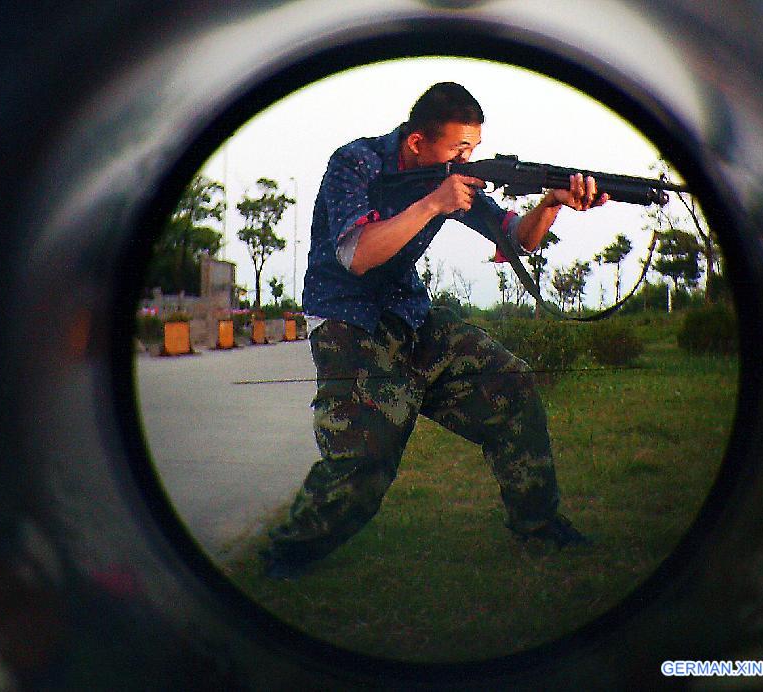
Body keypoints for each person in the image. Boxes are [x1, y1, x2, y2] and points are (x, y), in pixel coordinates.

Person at [261, 82, 608, 579]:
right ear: (418, 142)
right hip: (346, 318)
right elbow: (355, 256)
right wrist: (431, 203)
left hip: (410, 312)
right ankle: (288, 555)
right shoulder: (356, 164)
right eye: (459, 149)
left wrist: (550, 204)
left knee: (511, 382)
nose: (469, 160)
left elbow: (516, 239)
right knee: (365, 454)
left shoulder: (452, 180)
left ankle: (540, 526)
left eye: (475, 149)